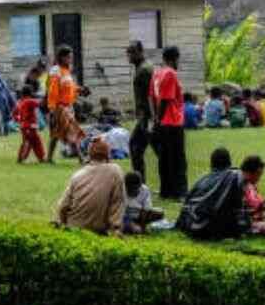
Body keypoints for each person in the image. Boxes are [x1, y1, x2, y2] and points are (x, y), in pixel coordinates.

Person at [54, 139, 126, 236]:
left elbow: (63, 206)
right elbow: (117, 202)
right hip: (96, 230)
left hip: (72, 228)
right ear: (107, 155)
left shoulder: (78, 175)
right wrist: (116, 228)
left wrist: (61, 223)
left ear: (89, 155)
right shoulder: (115, 171)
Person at [175, 148, 244, 241]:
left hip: (192, 227)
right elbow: (238, 207)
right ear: (229, 162)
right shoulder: (235, 176)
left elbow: (186, 207)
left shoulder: (202, 180)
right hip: (215, 228)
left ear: (212, 163)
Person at [151, 46, 188, 199]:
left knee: (165, 159)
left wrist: (156, 119)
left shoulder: (157, 73)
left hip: (162, 123)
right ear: (175, 58)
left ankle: (166, 191)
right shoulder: (171, 74)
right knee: (178, 160)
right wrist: (159, 119)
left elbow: (152, 97)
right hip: (173, 122)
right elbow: (166, 99)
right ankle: (180, 192)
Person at [46, 46, 86, 164]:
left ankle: (49, 158)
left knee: (56, 133)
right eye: (68, 57)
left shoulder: (67, 71)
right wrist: (52, 109)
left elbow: (70, 88)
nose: (71, 59)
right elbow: (52, 91)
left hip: (69, 106)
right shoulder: (56, 71)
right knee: (72, 131)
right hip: (60, 107)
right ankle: (81, 158)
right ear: (61, 58)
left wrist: (80, 90)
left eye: (71, 57)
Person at [126, 41, 156, 181]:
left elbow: (151, 95)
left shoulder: (145, 70)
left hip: (148, 116)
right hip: (145, 115)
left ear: (140, 51)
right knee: (136, 147)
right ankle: (140, 182)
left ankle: (140, 183)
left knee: (136, 146)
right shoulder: (142, 68)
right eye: (128, 52)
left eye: (132, 52)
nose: (129, 55)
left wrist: (149, 117)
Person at [15, 86, 46, 163]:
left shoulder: (20, 102)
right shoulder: (29, 101)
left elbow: (15, 114)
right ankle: (39, 158)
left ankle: (22, 158)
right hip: (30, 126)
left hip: (23, 126)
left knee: (30, 142)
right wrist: (46, 96)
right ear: (30, 93)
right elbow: (40, 104)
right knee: (35, 143)